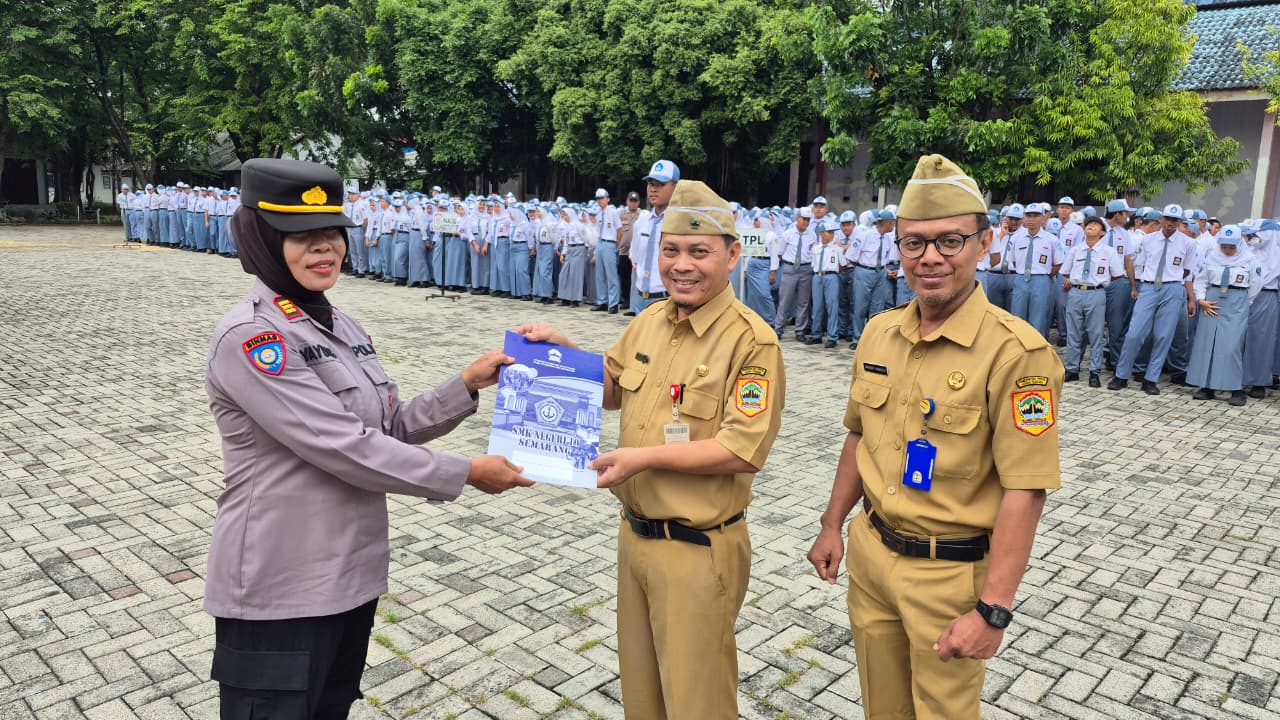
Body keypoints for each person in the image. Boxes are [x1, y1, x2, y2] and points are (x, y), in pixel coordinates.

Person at [203, 158, 532, 719]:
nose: (324, 247)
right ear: (261, 239)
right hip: (281, 582)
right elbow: (344, 446)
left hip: (348, 575)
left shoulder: (339, 325)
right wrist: (466, 472)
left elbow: (388, 427)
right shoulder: (254, 337)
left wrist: (465, 384)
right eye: (300, 235)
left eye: (332, 232)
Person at [807, 153, 1062, 720]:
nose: (930, 258)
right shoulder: (879, 334)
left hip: (948, 577)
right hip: (872, 557)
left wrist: (993, 610)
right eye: (914, 243)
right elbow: (858, 436)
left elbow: (1026, 488)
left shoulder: (1018, 354)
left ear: (984, 243)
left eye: (950, 241)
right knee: (882, 708)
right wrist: (831, 524)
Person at [518, 179, 785, 719]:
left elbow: (740, 450)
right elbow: (614, 389)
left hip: (697, 548)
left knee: (696, 703)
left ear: (732, 255)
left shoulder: (751, 341)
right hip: (635, 539)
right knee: (643, 697)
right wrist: (566, 353)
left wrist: (642, 459)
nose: (682, 265)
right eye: (671, 250)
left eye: (699, 252)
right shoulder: (649, 320)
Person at [1108, 204, 1197, 395]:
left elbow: (1187, 270)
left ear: (1180, 222)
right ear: (1161, 220)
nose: (1170, 223)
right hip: (1148, 286)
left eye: (1175, 220)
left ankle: (1151, 379)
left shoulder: (1188, 243)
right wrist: (1136, 286)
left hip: (1172, 287)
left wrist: (1173, 281)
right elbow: (1137, 263)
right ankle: (1121, 375)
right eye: (1167, 219)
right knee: (1134, 333)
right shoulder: (1147, 240)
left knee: (1163, 336)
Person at [1188, 225, 1262, 405]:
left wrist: (1244, 302)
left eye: (1231, 247)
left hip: (1237, 300)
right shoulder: (1212, 257)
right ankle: (1207, 386)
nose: (1227, 250)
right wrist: (1201, 300)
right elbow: (1201, 280)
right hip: (1211, 302)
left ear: (1239, 244)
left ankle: (1235, 388)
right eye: (1224, 246)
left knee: (1231, 347)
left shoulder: (1250, 259)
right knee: (1208, 343)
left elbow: (1256, 283)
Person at [1061, 216, 1119, 387]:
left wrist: (1100, 281)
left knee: (1096, 334)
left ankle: (1095, 371)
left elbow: (1116, 274)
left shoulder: (1109, 252)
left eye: (1096, 224)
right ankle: (1072, 369)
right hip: (1076, 292)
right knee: (1074, 333)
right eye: (1088, 224)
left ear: (1102, 232)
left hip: (1096, 293)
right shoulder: (1075, 250)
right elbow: (1066, 271)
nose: (1091, 226)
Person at [630, 160, 680, 315]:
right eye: (651, 184)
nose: (653, 189)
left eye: (660, 185)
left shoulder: (680, 223)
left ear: (676, 187)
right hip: (640, 298)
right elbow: (635, 258)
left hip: (667, 299)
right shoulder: (642, 221)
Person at [773, 207, 815, 341]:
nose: (805, 222)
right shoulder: (787, 234)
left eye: (808, 220)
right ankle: (778, 329)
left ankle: (800, 330)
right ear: (797, 219)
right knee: (785, 300)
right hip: (790, 268)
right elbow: (780, 252)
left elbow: (812, 253)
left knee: (803, 302)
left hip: (806, 269)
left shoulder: (812, 235)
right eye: (803, 219)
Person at [808, 217, 846, 347]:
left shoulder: (837, 248)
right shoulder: (815, 248)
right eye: (829, 232)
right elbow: (813, 263)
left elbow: (843, 265)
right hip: (817, 276)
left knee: (832, 307)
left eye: (833, 232)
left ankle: (832, 337)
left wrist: (833, 271)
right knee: (817, 307)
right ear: (821, 234)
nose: (832, 234)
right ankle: (816, 335)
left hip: (831, 276)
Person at [592, 188, 623, 313]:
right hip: (600, 243)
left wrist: (616, 246)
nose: (600, 201)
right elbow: (597, 233)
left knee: (611, 275)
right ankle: (602, 301)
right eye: (598, 199)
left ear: (608, 199)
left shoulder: (613, 212)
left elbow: (619, 230)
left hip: (610, 243)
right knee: (599, 275)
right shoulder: (599, 214)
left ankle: (613, 303)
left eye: (602, 198)